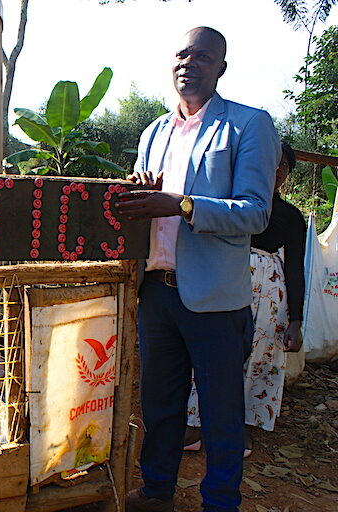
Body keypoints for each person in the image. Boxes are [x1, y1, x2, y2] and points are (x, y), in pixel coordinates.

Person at [115, 27, 280, 512]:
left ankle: (220, 502)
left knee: (221, 413)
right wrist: (142, 188)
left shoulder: (248, 125)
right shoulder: (154, 132)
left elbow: (254, 212)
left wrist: (181, 204)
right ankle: (158, 491)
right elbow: (147, 204)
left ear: (221, 68)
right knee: (160, 407)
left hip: (215, 298)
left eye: (203, 56)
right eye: (183, 54)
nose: (190, 63)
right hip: (157, 291)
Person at [183, 142, 306, 457]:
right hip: (225, 276)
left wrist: (296, 320)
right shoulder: (229, 201)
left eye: (284, 167)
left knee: (261, 358)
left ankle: (245, 426)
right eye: (271, 162)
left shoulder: (291, 216)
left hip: (269, 293)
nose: (276, 170)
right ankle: (196, 423)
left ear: (288, 175)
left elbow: (295, 265)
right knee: (211, 348)